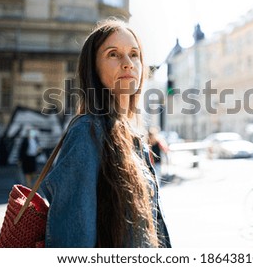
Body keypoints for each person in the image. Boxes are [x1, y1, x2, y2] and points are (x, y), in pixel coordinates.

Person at [40, 18, 171, 248]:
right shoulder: (87, 133)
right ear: (94, 68)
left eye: (134, 54)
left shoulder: (133, 136)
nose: (128, 63)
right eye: (113, 54)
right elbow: (73, 245)